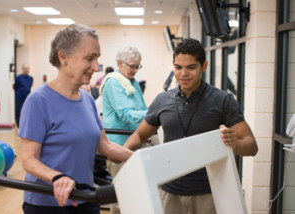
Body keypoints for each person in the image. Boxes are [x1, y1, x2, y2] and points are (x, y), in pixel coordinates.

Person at [123, 38, 258, 214]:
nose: (183, 73)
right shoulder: (162, 100)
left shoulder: (222, 100)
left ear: (204, 66)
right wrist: (123, 157)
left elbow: (252, 146)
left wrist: (236, 144)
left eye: (191, 67)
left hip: (208, 194)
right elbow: (140, 135)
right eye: (178, 67)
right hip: (168, 192)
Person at [19, 24, 133, 214]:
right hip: (48, 204)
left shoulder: (87, 99)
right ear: (63, 57)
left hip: (86, 198)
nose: (96, 67)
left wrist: (140, 158)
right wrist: (57, 177)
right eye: (90, 58)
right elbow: (29, 160)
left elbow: (106, 147)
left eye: (97, 58)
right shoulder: (38, 101)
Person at [99, 46, 147, 214]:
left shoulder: (133, 83)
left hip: (135, 142)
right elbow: (127, 115)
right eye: (131, 66)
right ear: (119, 63)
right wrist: (155, 112)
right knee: (121, 197)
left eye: (137, 66)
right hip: (119, 145)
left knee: (136, 195)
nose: (134, 70)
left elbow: (142, 109)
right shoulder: (113, 82)